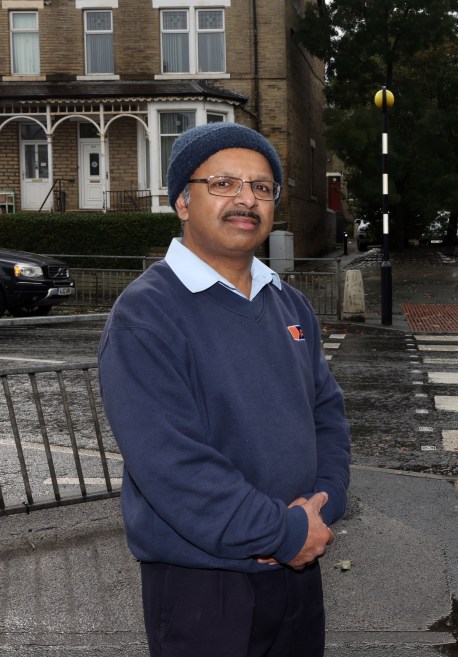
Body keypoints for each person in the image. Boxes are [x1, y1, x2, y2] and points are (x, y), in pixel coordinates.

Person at [98, 122, 351, 657]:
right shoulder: (146, 314)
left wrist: (321, 509)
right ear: (183, 203)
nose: (246, 199)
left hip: (298, 567)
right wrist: (280, 531)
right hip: (203, 587)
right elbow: (171, 463)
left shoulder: (289, 302)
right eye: (223, 184)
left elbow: (326, 413)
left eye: (262, 187)